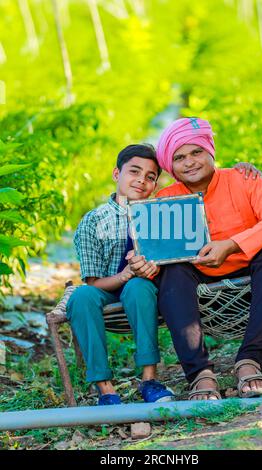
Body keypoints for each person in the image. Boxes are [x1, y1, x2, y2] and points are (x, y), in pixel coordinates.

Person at [127, 117, 262, 401]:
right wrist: (144, 265)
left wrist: (231, 245)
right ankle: (200, 374)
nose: (190, 162)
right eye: (179, 157)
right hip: (200, 295)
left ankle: (249, 361)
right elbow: (156, 258)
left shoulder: (243, 179)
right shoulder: (166, 199)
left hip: (254, 285)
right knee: (173, 270)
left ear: (210, 152)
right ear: (171, 167)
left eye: (196, 152)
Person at [66, 144, 174, 405]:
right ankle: (106, 389)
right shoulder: (94, 221)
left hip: (144, 293)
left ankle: (149, 380)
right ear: (117, 174)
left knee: (139, 286)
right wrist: (126, 273)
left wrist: (147, 270)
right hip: (105, 290)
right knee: (81, 297)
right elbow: (93, 281)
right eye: (134, 171)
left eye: (150, 177)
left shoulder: (162, 215)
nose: (141, 180)